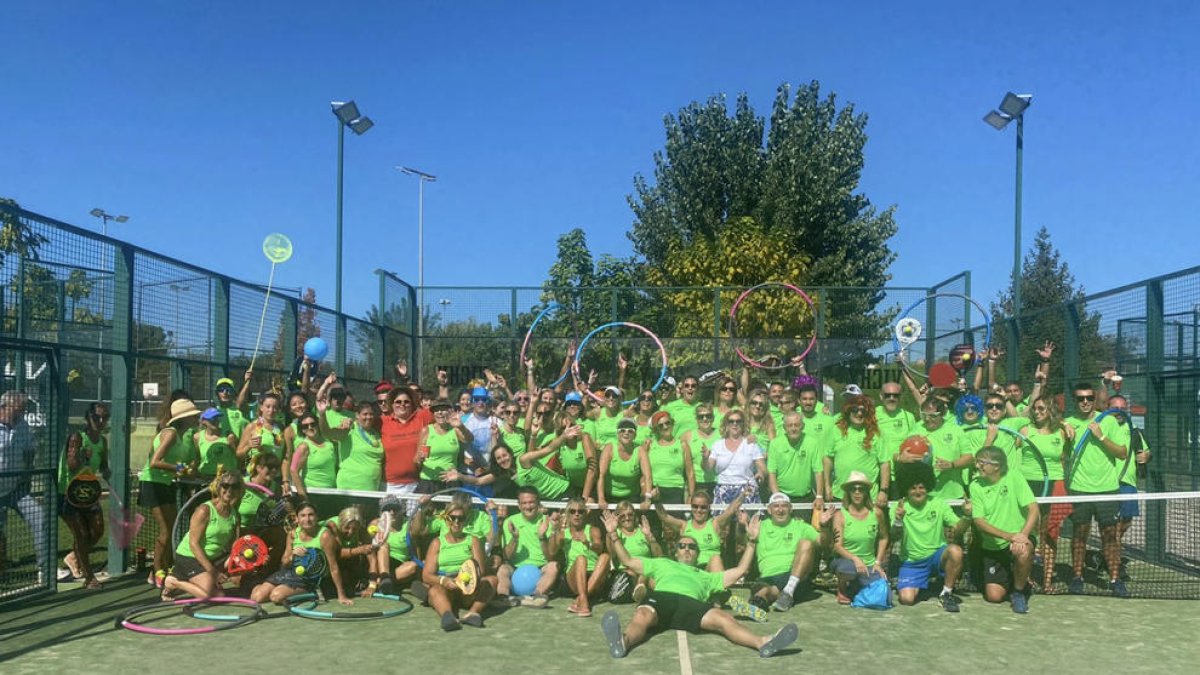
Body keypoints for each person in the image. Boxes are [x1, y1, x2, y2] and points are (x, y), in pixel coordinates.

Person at [599, 509, 798, 659]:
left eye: (692, 547)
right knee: (642, 615)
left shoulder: (707, 576)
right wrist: (614, 535)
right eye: (682, 546)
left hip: (692, 604)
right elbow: (627, 560)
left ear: (697, 554)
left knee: (723, 619)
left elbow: (741, 570)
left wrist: (752, 541)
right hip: (662, 598)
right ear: (675, 551)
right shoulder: (662, 563)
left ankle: (762, 643)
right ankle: (623, 642)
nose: (687, 549)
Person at [1064, 381, 1128, 597]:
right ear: (1075, 400)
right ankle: (1077, 577)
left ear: (1094, 400)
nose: (1085, 402)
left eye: (1089, 398)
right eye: (1080, 398)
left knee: (1109, 536)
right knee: (1079, 535)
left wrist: (1101, 436)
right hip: (1079, 489)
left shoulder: (1108, 421)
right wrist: (1064, 430)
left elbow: (1122, 453)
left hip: (1107, 490)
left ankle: (1115, 579)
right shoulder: (1068, 423)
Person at [138, 398, 201, 588]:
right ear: (185, 418)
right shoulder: (171, 433)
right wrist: (178, 468)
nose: (196, 418)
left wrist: (187, 469)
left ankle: (161, 568)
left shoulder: (183, 436)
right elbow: (154, 462)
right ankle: (157, 571)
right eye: (193, 415)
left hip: (165, 483)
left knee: (172, 528)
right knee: (166, 530)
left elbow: (179, 465)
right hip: (152, 483)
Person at [892, 463, 970, 612]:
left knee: (955, 551)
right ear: (906, 489)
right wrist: (898, 520)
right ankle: (927, 584)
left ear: (927, 486)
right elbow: (894, 536)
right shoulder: (900, 507)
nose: (918, 491)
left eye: (921, 487)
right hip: (912, 562)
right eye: (913, 488)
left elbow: (958, 529)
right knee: (907, 599)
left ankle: (946, 593)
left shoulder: (938, 503)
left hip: (936, 556)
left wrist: (967, 516)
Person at [970, 446, 1039, 613]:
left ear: (997, 466)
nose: (977, 466)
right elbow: (979, 521)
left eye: (982, 463)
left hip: (1019, 539)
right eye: (977, 462)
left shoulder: (1014, 476)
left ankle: (1018, 591)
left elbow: (1033, 509)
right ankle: (1015, 576)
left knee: (1023, 551)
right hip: (993, 545)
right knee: (994, 596)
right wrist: (1008, 536)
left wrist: (1022, 536)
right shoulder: (975, 485)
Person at [251, 501, 353, 607]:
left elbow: (333, 567)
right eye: (303, 515)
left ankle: (312, 592)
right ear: (297, 518)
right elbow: (284, 562)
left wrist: (341, 595)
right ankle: (266, 587)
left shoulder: (325, 536)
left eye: (311, 515)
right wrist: (292, 556)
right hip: (290, 573)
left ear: (317, 517)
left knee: (276, 596)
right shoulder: (292, 534)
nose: (307, 519)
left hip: (312, 579)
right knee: (257, 597)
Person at [162, 471, 244, 600]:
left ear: (239, 491)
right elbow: (193, 544)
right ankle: (174, 582)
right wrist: (213, 572)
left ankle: (185, 576)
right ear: (219, 487)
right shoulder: (204, 510)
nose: (229, 490)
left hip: (213, 558)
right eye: (225, 485)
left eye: (234, 487)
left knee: (239, 577)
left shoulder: (235, 515)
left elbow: (234, 546)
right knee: (216, 596)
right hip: (189, 557)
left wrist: (238, 567)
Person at [1019, 393, 1071, 591]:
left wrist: (1065, 423)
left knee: (1049, 532)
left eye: (1042, 408)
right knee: (1029, 530)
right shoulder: (1025, 430)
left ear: (1050, 411)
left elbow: (1065, 455)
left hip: (1052, 485)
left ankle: (1047, 581)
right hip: (1027, 484)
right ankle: (1026, 576)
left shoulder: (1062, 433)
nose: (1037, 412)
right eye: (1035, 408)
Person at [422, 499, 497, 631]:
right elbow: (427, 575)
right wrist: (444, 581)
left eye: (461, 518)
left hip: (468, 586)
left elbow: (480, 570)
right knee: (434, 590)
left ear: (465, 520)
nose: (456, 522)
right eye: (452, 518)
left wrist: (462, 580)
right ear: (446, 519)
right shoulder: (437, 543)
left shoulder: (473, 540)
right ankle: (448, 616)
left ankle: (473, 613)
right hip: (447, 586)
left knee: (492, 580)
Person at [57, 402, 109, 588]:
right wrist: (82, 456)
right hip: (68, 494)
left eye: (105, 417)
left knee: (97, 530)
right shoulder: (77, 437)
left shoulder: (102, 441)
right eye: (96, 417)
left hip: (87, 493)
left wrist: (109, 474)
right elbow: (71, 465)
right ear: (88, 418)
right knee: (80, 534)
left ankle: (73, 557)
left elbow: (103, 466)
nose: (100, 421)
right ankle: (89, 577)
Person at [749, 492, 827, 612]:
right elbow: (741, 547)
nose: (780, 510)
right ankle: (758, 605)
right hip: (767, 577)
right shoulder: (760, 526)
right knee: (764, 591)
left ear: (790, 509)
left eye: (784, 506)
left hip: (793, 575)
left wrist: (825, 527)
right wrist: (747, 534)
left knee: (806, 543)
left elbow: (823, 543)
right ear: (769, 510)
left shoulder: (800, 526)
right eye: (776, 506)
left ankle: (788, 591)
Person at [654, 487, 751, 572]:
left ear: (709, 508)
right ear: (691, 507)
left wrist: (742, 495)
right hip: (691, 568)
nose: (699, 510)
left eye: (703, 507)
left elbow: (730, 510)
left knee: (715, 559)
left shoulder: (715, 524)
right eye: (695, 506)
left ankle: (720, 587)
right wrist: (656, 500)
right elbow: (664, 517)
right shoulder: (684, 526)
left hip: (710, 569)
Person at [830, 471, 889, 604]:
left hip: (869, 563)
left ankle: (856, 588)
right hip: (847, 562)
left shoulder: (877, 513)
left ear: (866, 492)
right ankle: (842, 588)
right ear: (848, 493)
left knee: (885, 596)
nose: (857, 493)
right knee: (848, 570)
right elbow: (837, 546)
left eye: (861, 489)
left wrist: (878, 562)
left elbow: (884, 537)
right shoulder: (840, 515)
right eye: (853, 489)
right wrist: (855, 559)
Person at [496, 486, 559, 607]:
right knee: (503, 568)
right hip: (515, 568)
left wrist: (542, 537)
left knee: (553, 566)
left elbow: (550, 557)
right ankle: (503, 597)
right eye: (524, 503)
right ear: (519, 506)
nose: (528, 506)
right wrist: (515, 539)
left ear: (538, 503)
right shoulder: (510, 521)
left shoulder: (547, 522)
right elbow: (507, 556)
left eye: (531, 502)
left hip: (540, 568)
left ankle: (537, 596)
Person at [1110, 394, 1150, 580]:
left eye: (1122, 408)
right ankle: (1116, 565)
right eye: (1115, 408)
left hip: (1129, 485)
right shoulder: (1103, 429)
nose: (1119, 412)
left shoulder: (1134, 431)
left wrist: (1146, 456)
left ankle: (1106, 555)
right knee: (1115, 528)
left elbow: (1146, 451)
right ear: (1108, 409)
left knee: (1125, 524)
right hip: (1109, 486)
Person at [825, 396, 890, 508]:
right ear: (848, 411)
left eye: (863, 411)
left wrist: (884, 491)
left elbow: (885, 463)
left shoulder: (876, 433)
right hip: (840, 494)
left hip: (868, 496)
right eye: (855, 410)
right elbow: (827, 459)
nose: (859, 414)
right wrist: (827, 486)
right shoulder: (836, 430)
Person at [550, 498, 610, 617]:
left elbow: (599, 548)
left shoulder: (593, 530)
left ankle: (580, 599)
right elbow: (552, 552)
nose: (576, 514)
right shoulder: (563, 534)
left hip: (594, 576)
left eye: (580, 511)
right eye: (572, 511)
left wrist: (588, 543)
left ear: (585, 513)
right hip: (573, 578)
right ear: (568, 514)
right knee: (581, 559)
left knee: (605, 556)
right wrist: (554, 530)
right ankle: (584, 602)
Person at [379, 386, 434, 508]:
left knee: (413, 518)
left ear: (412, 403)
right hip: (389, 485)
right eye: (398, 402)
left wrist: (442, 386)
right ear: (392, 404)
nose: (402, 404)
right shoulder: (383, 421)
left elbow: (441, 409)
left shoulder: (422, 417)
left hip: (416, 484)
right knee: (390, 518)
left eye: (406, 402)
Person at [320, 397, 384, 492]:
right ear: (357, 415)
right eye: (365, 414)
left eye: (371, 414)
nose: (368, 417)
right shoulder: (349, 429)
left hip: (372, 487)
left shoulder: (376, 434)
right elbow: (327, 433)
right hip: (350, 486)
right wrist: (322, 414)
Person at [704, 412, 766, 506]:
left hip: (747, 489)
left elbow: (763, 468)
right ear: (726, 424)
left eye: (738, 421)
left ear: (743, 424)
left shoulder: (751, 444)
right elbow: (708, 468)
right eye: (731, 421)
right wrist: (705, 458)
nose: (735, 424)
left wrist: (760, 473)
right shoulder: (717, 445)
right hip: (723, 489)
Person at [606, 501, 663, 604]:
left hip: (646, 570)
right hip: (628, 573)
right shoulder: (615, 532)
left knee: (649, 575)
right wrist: (611, 533)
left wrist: (650, 536)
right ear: (617, 518)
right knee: (639, 573)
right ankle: (641, 588)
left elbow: (659, 556)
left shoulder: (643, 530)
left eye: (630, 514)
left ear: (635, 515)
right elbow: (613, 555)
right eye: (622, 516)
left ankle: (642, 589)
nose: (627, 518)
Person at [364, 495, 419, 596]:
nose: (392, 512)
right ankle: (384, 578)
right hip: (382, 562)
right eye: (388, 509)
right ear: (381, 512)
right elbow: (369, 550)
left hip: (400, 566)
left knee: (414, 565)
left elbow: (416, 541)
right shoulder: (376, 524)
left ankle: (383, 582)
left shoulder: (409, 524)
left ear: (401, 510)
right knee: (384, 545)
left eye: (395, 509)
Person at [415, 399, 471, 493]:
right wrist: (419, 459)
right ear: (433, 414)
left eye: (443, 409)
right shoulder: (427, 430)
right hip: (428, 482)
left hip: (450, 481)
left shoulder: (455, 430)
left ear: (450, 412)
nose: (440, 412)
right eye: (436, 410)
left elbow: (469, 439)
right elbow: (416, 459)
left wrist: (461, 426)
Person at [766, 413, 823, 506]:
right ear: (784, 427)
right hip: (783, 495)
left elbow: (818, 471)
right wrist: (777, 496)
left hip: (806, 497)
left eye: (797, 425)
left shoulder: (812, 443)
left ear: (803, 426)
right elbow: (772, 473)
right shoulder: (775, 444)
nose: (793, 429)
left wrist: (819, 496)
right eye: (790, 425)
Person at [598, 418, 653, 509]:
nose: (626, 433)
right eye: (622, 430)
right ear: (617, 434)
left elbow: (648, 477)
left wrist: (647, 500)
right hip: (610, 497)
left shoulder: (640, 450)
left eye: (630, 431)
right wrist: (601, 499)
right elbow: (601, 475)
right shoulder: (609, 448)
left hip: (632, 498)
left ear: (635, 435)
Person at [645, 413, 694, 505]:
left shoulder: (682, 445)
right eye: (660, 425)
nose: (665, 427)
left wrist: (691, 495)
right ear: (656, 429)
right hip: (654, 489)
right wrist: (647, 493)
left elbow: (690, 472)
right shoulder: (650, 445)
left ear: (672, 423)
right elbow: (644, 473)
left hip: (675, 489)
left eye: (667, 423)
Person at [291, 412, 337, 497]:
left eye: (313, 424)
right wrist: (302, 496)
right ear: (302, 430)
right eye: (305, 426)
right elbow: (293, 470)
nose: (310, 427)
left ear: (318, 424)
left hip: (332, 491)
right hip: (312, 492)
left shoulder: (329, 443)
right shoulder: (303, 447)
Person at [681, 403, 718, 497]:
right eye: (701, 417)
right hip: (696, 482)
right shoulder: (687, 436)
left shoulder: (722, 434)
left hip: (718, 481)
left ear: (713, 418)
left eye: (708, 416)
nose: (705, 419)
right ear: (696, 419)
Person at [193, 408, 238, 481]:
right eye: (212, 419)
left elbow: (238, 456)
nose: (215, 421)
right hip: (206, 478)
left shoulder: (228, 436)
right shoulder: (197, 437)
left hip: (226, 478)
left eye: (217, 418)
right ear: (204, 421)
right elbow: (198, 458)